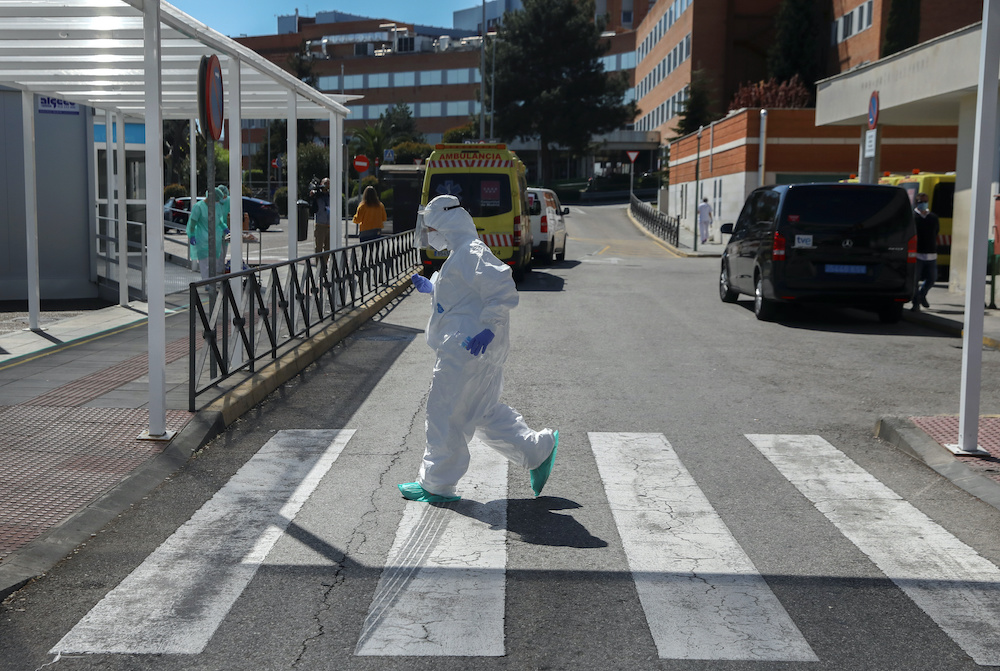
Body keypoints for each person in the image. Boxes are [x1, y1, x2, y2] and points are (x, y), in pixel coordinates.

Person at [400, 194, 558, 504]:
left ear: (447, 226)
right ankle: (537, 450)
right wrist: (432, 288)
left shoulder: (471, 252)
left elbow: (500, 288)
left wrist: (489, 328)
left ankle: (437, 483)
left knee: (443, 411)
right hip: (472, 349)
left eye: (433, 230)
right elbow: (464, 294)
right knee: (481, 412)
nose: (430, 236)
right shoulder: (461, 253)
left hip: (466, 350)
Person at [187, 185, 230, 281]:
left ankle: (212, 282)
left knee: (214, 262)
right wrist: (192, 235)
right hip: (202, 240)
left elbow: (219, 220)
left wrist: (225, 229)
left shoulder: (216, 206)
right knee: (204, 263)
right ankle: (206, 282)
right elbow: (192, 223)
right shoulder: (198, 207)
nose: (217, 202)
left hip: (215, 239)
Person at [911, 192, 939, 311]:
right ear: (917, 203)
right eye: (921, 202)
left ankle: (922, 295)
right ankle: (916, 302)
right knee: (914, 280)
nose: (923, 204)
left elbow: (936, 231)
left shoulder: (933, 217)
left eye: (925, 201)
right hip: (917, 253)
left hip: (931, 253)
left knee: (932, 279)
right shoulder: (913, 217)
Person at [310, 177, 331, 253]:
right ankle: (318, 263)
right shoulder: (317, 195)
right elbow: (312, 208)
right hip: (320, 225)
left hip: (329, 225)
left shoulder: (331, 196)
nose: (326, 186)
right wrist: (313, 195)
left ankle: (324, 264)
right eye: (325, 184)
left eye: (328, 184)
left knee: (328, 248)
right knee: (319, 247)